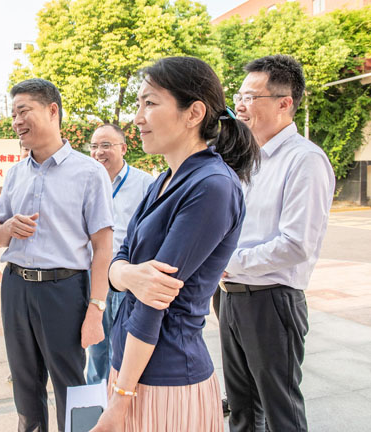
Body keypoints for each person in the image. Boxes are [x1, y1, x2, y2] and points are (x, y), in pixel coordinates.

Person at [91, 56, 259, 432]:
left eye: (150, 103)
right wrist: (128, 275)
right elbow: (121, 256)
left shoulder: (211, 186)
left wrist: (120, 400)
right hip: (130, 370)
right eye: (139, 104)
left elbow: (154, 304)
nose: (138, 118)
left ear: (193, 113)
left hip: (164, 380)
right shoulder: (164, 180)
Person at [0, 78, 114, 432]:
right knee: (24, 382)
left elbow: (103, 247)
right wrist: (8, 227)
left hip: (64, 290)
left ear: (52, 110)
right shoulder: (15, 174)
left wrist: (96, 310)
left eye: (23, 111)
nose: (17, 121)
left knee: (72, 384)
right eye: (13, 115)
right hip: (16, 287)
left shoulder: (89, 173)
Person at [220, 54, 335, 432]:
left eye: (251, 97)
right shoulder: (247, 159)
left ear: (284, 103)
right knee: (242, 409)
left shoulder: (305, 160)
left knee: (279, 411)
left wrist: (227, 261)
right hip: (231, 297)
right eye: (239, 96)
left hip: (272, 300)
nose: (240, 105)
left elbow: (296, 244)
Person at [86, 124, 153, 385]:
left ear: (123, 148)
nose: (98, 152)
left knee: (121, 347)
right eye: (94, 146)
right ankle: (96, 402)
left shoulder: (145, 184)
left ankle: (120, 400)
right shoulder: (87, 181)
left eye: (106, 145)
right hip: (95, 278)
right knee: (95, 346)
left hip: (126, 279)